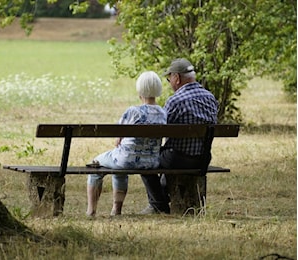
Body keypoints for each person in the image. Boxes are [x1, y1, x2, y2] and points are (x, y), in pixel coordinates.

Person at [139, 58, 219, 215]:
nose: (170, 82)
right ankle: (163, 199)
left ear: (177, 78)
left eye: (169, 79)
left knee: (144, 160)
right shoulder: (210, 98)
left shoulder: (175, 101)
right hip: (202, 158)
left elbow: (159, 130)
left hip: (177, 158)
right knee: (165, 157)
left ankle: (158, 205)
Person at [86, 71, 167, 217]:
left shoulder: (133, 111)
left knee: (96, 164)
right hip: (151, 162)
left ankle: (91, 210)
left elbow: (118, 138)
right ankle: (116, 210)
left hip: (126, 160)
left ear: (140, 90)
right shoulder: (163, 113)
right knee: (118, 166)